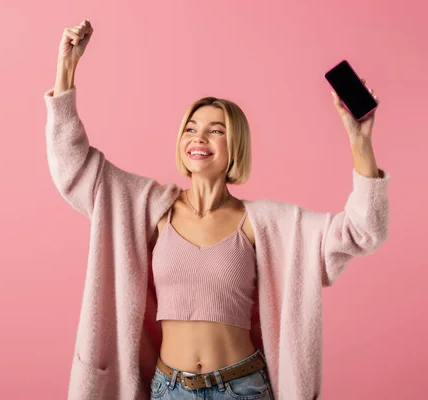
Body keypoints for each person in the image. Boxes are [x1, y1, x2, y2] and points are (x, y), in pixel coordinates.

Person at [44, 19, 390, 400]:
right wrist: (67, 69)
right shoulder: (148, 209)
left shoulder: (267, 224)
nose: (199, 138)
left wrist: (361, 144)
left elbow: (363, 230)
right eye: (191, 128)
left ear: (235, 144)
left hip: (242, 389)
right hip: (168, 389)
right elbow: (72, 166)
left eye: (216, 130)